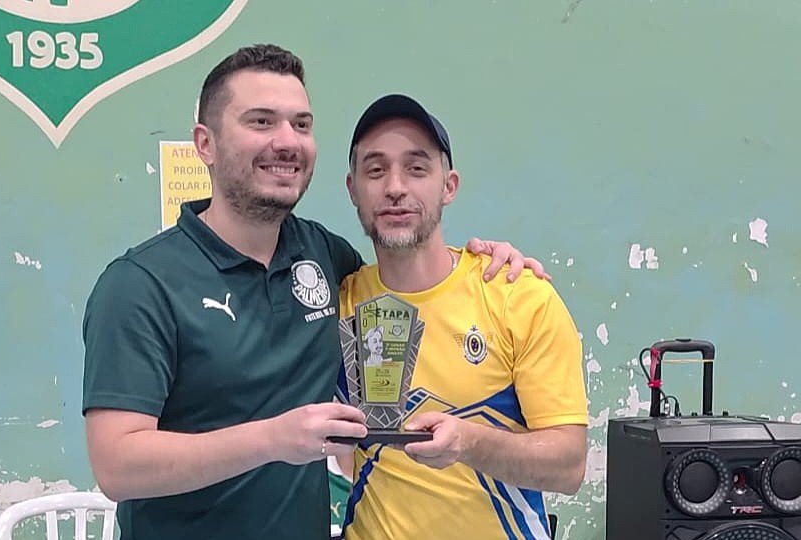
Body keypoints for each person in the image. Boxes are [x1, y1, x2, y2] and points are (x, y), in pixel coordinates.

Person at [82, 44, 547, 540]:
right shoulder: (139, 284)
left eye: (301, 124)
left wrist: (484, 260)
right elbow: (117, 466)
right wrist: (272, 439)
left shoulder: (325, 256)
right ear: (205, 144)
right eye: (261, 121)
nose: (287, 141)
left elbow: (411, 279)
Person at [338, 94, 588, 540]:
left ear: (448, 186)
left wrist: (469, 443)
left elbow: (569, 466)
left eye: (417, 168)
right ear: (352, 189)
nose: (395, 187)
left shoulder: (517, 296)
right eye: (375, 170)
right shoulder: (335, 304)